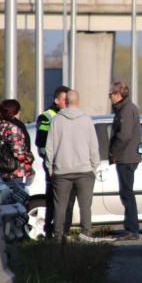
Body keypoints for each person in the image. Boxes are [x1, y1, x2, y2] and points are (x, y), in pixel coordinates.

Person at [45, 90, 100, 242]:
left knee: (60, 206)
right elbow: (94, 147)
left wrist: (50, 168)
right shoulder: (86, 120)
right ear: (78, 102)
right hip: (84, 170)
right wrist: (94, 168)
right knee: (85, 206)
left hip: (61, 170)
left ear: (66, 102)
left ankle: (58, 236)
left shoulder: (56, 120)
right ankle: (86, 234)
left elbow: (50, 147)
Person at [35, 85, 72, 239]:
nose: (67, 103)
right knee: (52, 199)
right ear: (57, 101)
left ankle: (64, 232)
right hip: (53, 163)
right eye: (64, 100)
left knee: (68, 200)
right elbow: (40, 141)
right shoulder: (47, 117)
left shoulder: (70, 115)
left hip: (67, 163)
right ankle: (50, 232)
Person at [108, 81, 141, 241]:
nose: (110, 97)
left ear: (118, 95)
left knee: (127, 194)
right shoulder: (124, 108)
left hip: (126, 158)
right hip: (125, 157)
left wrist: (113, 152)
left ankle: (132, 230)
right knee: (126, 194)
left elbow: (124, 135)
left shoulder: (127, 110)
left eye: (111, 94)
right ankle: (130, 228)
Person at [0, 99, 35, 184]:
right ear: (14, 112)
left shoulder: (1, 126)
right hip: (15, 171)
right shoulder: (13, 128)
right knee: (17, 192)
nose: (19, 112)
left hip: (5, 168)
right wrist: (30, 157)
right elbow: (19, 154)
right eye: (18, 110)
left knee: (9, 191)